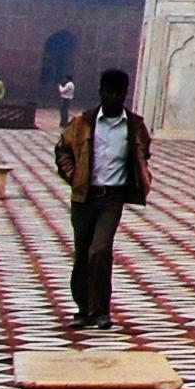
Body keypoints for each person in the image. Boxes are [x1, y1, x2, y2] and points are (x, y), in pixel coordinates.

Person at [49, 68, 152, 333]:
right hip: (84, 196)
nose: (114, 97)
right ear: (100, 92)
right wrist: (74, 177)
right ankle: (83, 309)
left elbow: (144, 152)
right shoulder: (84, 122)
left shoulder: (134, 125)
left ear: (125, 94)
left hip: (112, 197)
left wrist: (140, 177)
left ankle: (102, 310)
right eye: (109, 92)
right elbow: (62, 150)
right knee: (83, 253)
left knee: (100, 250)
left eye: (119, 93)